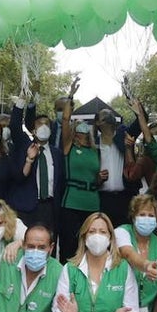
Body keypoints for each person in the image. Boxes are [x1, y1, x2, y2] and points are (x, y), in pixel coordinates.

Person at [7, 101, 66, 232]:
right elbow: (15, 126)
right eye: (40, 124)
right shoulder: (25, 145)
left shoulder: (57, 154)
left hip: (50, 208)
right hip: (27, 207)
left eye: (47, 124)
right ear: (33, 130)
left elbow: (61, 182)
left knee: (47, 244)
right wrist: (21, 103)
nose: (44, 127)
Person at [60, 98, 104, 261]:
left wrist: (100, 178)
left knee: (91, 244)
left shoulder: (95, 151)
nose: (82, 126)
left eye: (84, 125)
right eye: (78, 124)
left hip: (92, 202)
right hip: (72, 202)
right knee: (69, 245)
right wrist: (70, 99)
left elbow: (97, 180)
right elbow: (65, 120)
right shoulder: (68, 147)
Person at [95, 107, 135, 228]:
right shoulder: (94, 143)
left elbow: (139, 123)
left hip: (124, 198)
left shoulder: (123, 136)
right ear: (98, 123)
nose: (108, 117)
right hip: (103, 199)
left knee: (124, 235)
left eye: (110, 115)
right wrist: (97, 178)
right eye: (104, 116)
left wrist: (137, 109)